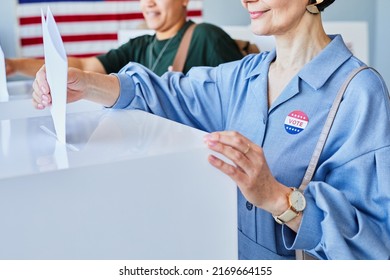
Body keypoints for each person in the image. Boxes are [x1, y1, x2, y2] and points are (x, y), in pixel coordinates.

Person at [32, 0, 390, 260]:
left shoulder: (359, 92)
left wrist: (279, 198)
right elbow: (167, 92)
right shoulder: (243, 75)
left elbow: (374, 247)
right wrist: (84, 84)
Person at [6, 0, 243, 77]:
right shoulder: (139, 45)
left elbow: (241, 99)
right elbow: (83, 66)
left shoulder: (206, 36)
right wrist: (15, 65)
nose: (148, 3)